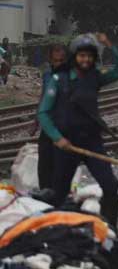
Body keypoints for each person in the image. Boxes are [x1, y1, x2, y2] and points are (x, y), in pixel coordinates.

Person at [38, 33, 118, 233]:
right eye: (81, 56)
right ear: (74, 57)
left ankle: (110, 231)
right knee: (59, 194)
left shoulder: (95, 77)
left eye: (89, 56)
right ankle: (54, 232)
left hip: (91, 142)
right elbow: (43, 113)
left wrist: (110, 45)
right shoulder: (58, 79)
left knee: (110, 185)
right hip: (67, 145)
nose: (86, 60)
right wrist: (57, 138)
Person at [34, 44, 68, 197]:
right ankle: (45, 192)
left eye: (61, 61)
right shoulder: (47, 75)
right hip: (48, 125)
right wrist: (35, 121)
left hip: (63, 125)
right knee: (44, 161)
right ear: (50, 60)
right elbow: (43, 97)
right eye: (55, 61)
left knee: (60, 162)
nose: (58, 64)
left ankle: (57, 194)